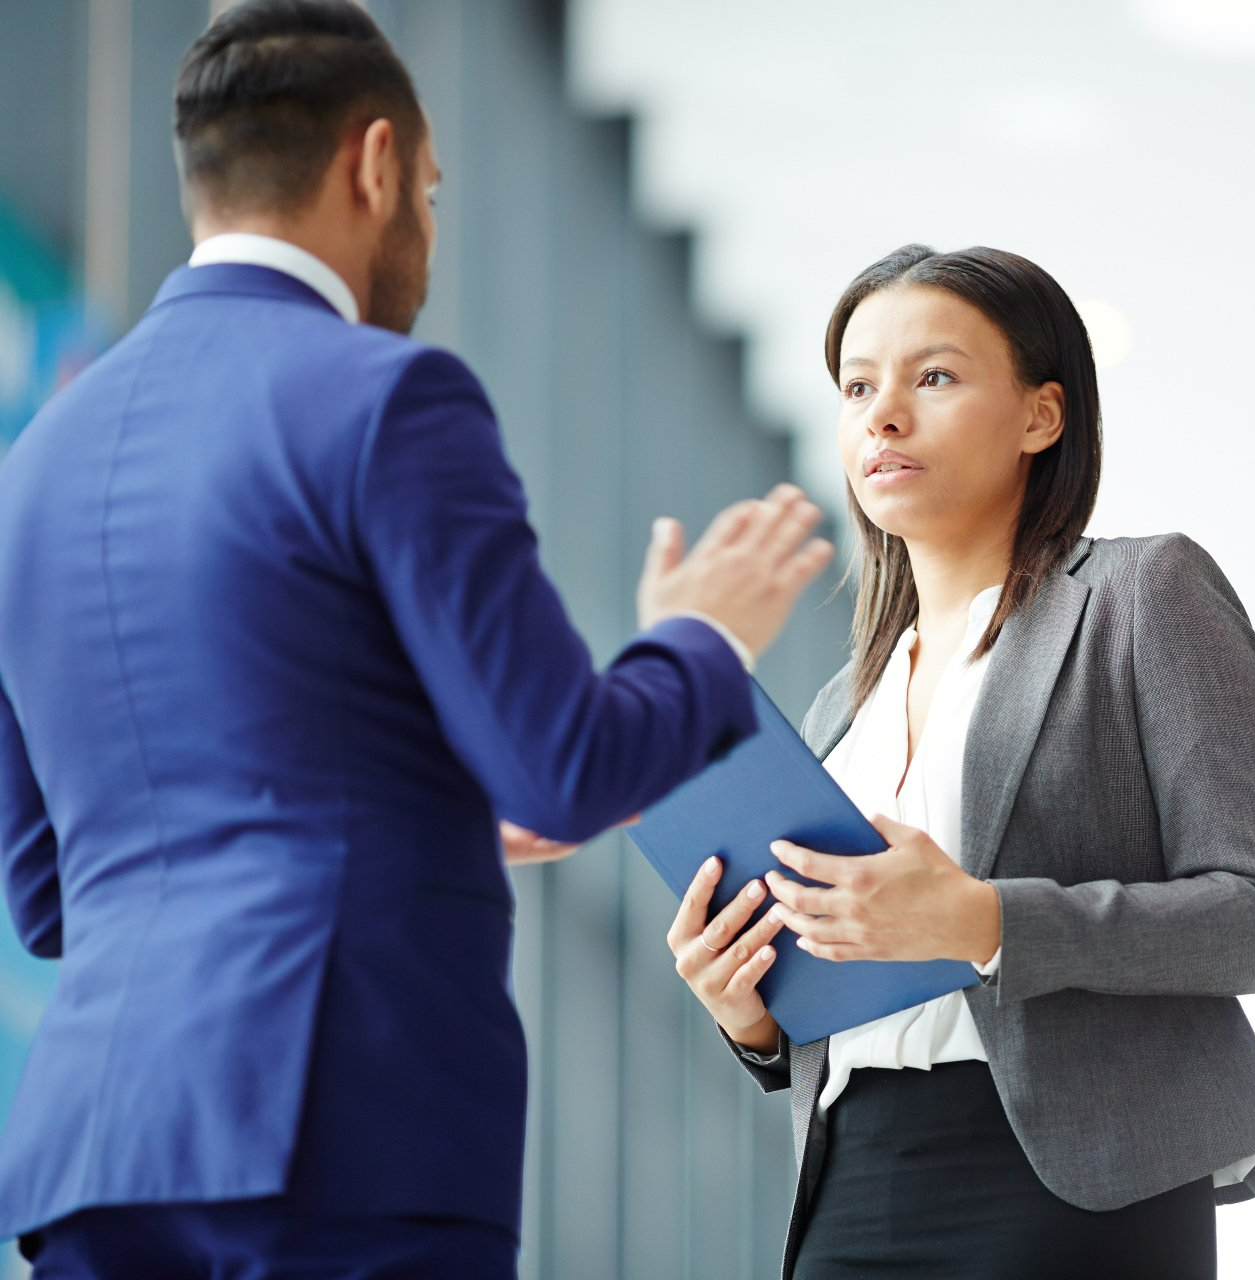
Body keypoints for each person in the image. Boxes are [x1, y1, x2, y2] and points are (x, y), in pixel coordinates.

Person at [0, 2, 834, 1277]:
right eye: (432, 196)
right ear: (375, 164)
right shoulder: (390, 396)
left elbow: (48, 889)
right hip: (345, 1131)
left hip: (95, 1153)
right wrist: (704, 635)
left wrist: (412, 799)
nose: (428, 236)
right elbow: (567, 765)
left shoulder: (34, 463)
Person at [667, 243, 1255, 1279]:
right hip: (852, 1180)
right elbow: (843, 985)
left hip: (1074, 1181)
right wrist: (751, 1013)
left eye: (933, 376)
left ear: (1042, 415)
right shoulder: (839, 710)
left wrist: (986, 921)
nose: (883, 414)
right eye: (858, 385)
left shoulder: (1140, 597)